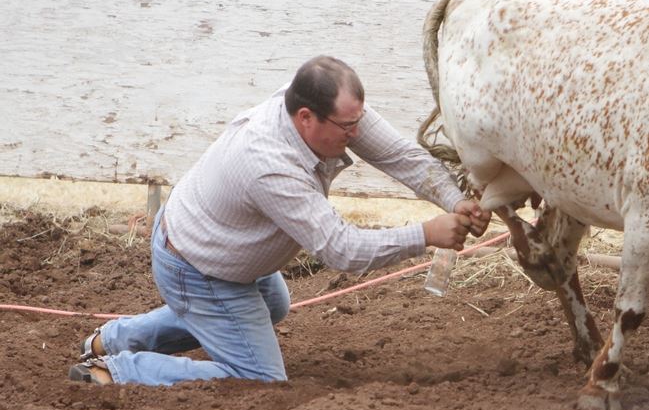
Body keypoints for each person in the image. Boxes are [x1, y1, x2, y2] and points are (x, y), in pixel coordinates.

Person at [69, 56, 490, 385]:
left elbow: (399, 155)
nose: (357, 135)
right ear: (307, 117)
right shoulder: (269, 164)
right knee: (259, 379)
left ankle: (114, 338)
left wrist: (453, 199)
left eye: (359, 121)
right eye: (348, 127)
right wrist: (425, 234)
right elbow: (340, 248)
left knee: (273, 304)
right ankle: (121, 369)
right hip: (197, 267)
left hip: (211, 242)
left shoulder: (323, 106)